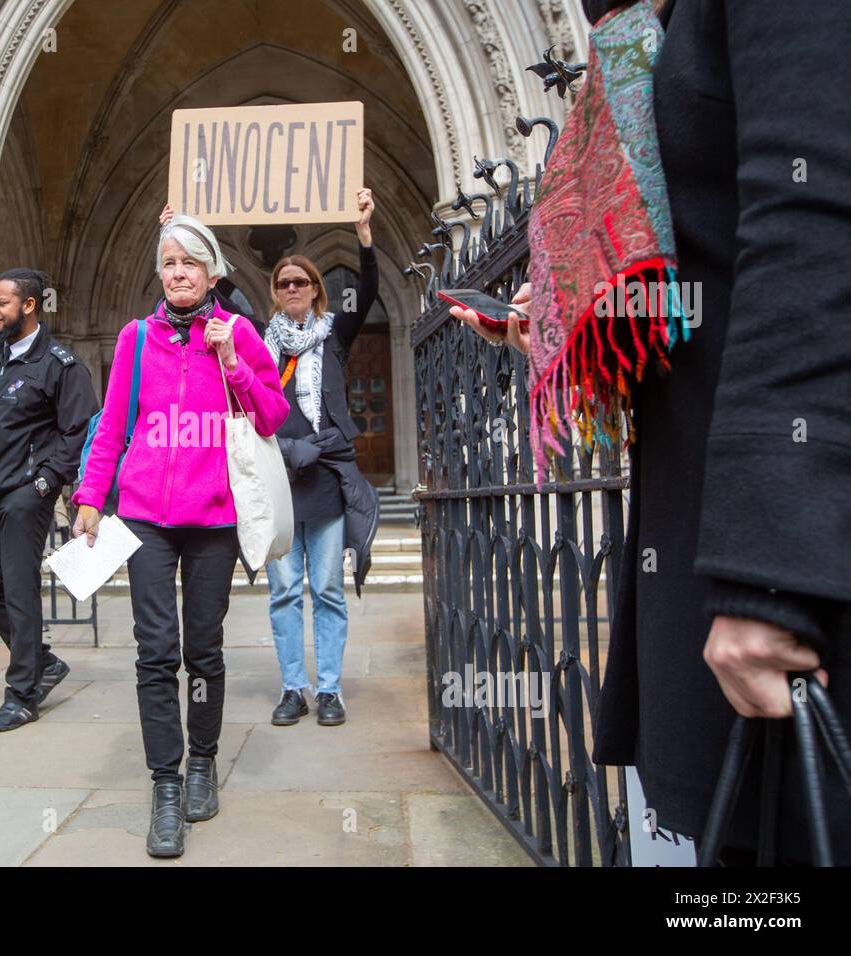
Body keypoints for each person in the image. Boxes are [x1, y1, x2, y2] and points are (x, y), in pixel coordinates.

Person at [452, 0, 850, 863]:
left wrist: (769, 576)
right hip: (701, 528)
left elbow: (816, 231)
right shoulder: (650, 31)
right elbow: (697, 272)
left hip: (793, 557)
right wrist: (554, 321)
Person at [73, 213, 289, 858]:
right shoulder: (138, 340)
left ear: (213, 272)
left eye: (190, 262)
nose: (178, 273)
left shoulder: (240, 332)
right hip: (144, 516)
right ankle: (165, 785)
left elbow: (273, 414)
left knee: (204, 648)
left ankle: (203, 763)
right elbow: (113, 426)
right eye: (169, 262)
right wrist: (89, 496)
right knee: (154, 651)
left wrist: (233, 363)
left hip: (215, 518)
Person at [260, 187, 381, 728]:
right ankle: (293, 688)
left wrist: (363, 234)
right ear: (275, 291)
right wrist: (170, 236)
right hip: (281, 480)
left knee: (327, 588)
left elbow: (373, 288)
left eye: (301, 282)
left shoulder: (335, 337)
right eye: (284, 283)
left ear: (315, 290)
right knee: (285, 591)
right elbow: (199, 299)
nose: (292, 289)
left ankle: (329, 690)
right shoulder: (257, 346)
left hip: (328, 479)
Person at [0, 268, 98, 732]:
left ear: (29, 305)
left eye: (1, 302)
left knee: (20, 590)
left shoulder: (61, 365)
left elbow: (78, 431)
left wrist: (43, 484)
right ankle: (42, 661)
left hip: (24, 496)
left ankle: (22, 694)